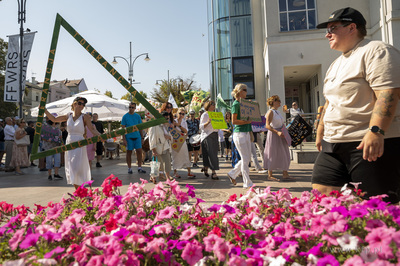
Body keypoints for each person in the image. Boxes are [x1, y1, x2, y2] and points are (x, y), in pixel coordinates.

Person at [311, 7, 400, 203]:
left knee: (378, 208)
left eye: (332, 28)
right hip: (333, 144)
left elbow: (388, 93)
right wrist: (320, 130)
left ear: (352, 27)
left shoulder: (376, 51)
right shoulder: (336, 63)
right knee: (323, 199)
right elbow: (329, 102)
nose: (327, 34)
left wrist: (376, 131)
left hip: (367, 143)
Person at [45, 96, 100, 189]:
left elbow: (92, 130)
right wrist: (44, 110)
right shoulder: (68, 115)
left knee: (77, 168)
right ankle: (79, 192)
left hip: (79, 143)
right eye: (80, 103)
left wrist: (102, 136)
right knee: (72, 169)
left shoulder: (85, 117)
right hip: (69, 143)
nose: (82, 106)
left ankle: (81, 191)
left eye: (83, 104)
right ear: (74, 104)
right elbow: (54, 119)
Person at [227, 84, 253, 188]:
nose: (247, 92)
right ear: (239, 92)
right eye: (245, 90)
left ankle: (233, 173)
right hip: (239, 134)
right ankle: (247, 182)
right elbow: (234, 121)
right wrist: (246, 121)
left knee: (246, 158)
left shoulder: (243, 104)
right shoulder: (236, 104)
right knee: (245, 158)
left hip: (245, 133)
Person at [263, 95, 292, 181]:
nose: (280, 102)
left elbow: (281, 123)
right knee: (272, 153)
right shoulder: (270, 112)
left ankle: (285, 173)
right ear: (273, 102)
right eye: (278, 100)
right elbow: (267, 126)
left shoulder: (277, 112)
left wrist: (285, 130)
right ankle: (270, 175)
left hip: (281, 133)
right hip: (274, 134)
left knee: (285, 152)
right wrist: (277, 132)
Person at [148, 111, 173, 183]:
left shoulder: (167, 126)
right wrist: (153, 149)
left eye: (168, 118)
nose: (167, 120)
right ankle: (153, 176)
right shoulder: (154, 126)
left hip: (166, 146)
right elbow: (151, 138)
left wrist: (169, 137)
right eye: (166, 118)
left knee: (167, 162)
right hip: (157, 147)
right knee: (156, 164)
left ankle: (167, 178)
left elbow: (171, 137)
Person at [121, 102, 146, 174]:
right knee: (129, 152)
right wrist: (124, 139)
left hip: (137, 136)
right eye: (129, 107)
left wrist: (142, 138)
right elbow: (123, 129)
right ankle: (129, 168)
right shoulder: (125, 116)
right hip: (129, 137)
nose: (131, 109)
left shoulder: (137, 116)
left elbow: (140, 128)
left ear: (135, 108)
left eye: (132, 107)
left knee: (139, 151)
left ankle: (139, 167)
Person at [171, 107, 195, 179]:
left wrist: (179, 125)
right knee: (175, 156)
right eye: (180, 113)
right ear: (177, 113)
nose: (181, 115)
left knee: (185, 155)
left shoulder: (184, 122)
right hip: (175, 141)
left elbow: (186, 131)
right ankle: (175, 172)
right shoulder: (173, 121)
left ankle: (189, 172)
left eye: (183, 114)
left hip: (182, 141)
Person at [199, 100, 220, 180]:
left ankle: (206, 167)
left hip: (214, 134)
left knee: (212, 153)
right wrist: (208, 122)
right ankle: (213, 172)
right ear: (208, 105)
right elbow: (201, 126)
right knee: (211, 154)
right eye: (212, 104)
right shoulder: (204, 114)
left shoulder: (216, 115)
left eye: (214, 104)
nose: (214, 105)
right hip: (207, 135)